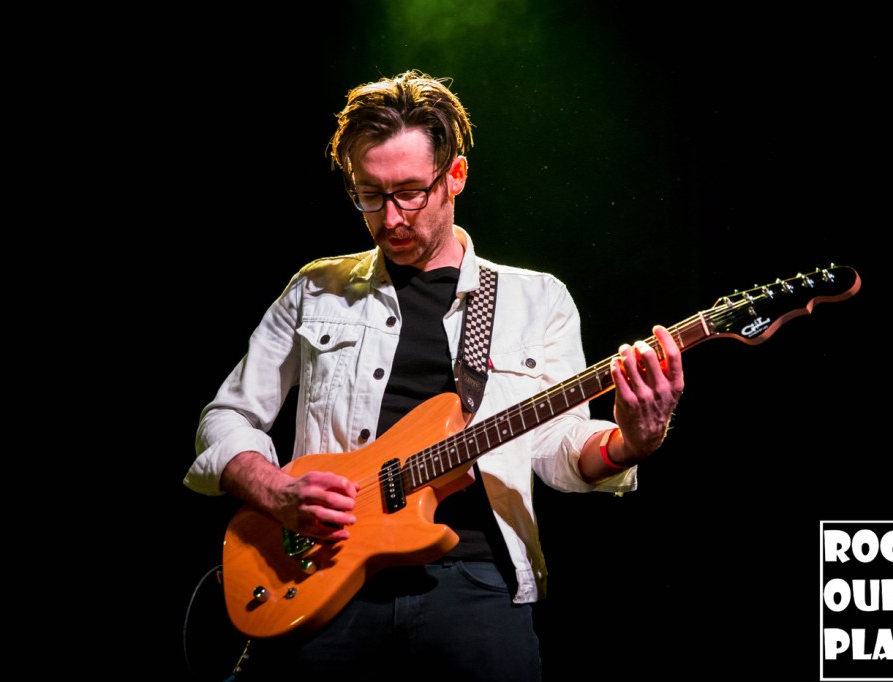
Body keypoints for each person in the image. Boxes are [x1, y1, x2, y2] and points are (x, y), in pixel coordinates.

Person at [184, 69, 685, 681]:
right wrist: (275, 491)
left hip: (475, 581)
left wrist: (631, 442)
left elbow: (557, 448)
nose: (391, 218)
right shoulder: (316, 289)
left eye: (410, 193)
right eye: (370, 195)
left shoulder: (537, 300)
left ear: (456, 176)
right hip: (321, 574)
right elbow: (226, 417)